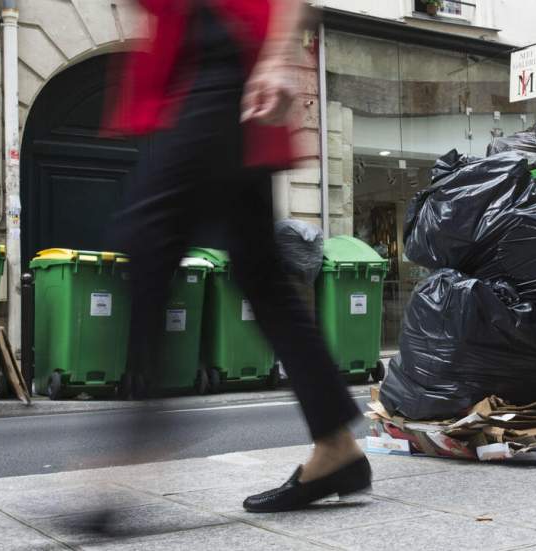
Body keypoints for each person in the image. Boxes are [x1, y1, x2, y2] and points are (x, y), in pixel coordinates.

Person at [106, 0, 370, 513]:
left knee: (148, 238)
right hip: (205, 65)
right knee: (260, 274)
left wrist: (276, 57)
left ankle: (129, 462)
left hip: (222, 61)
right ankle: (336, 445)